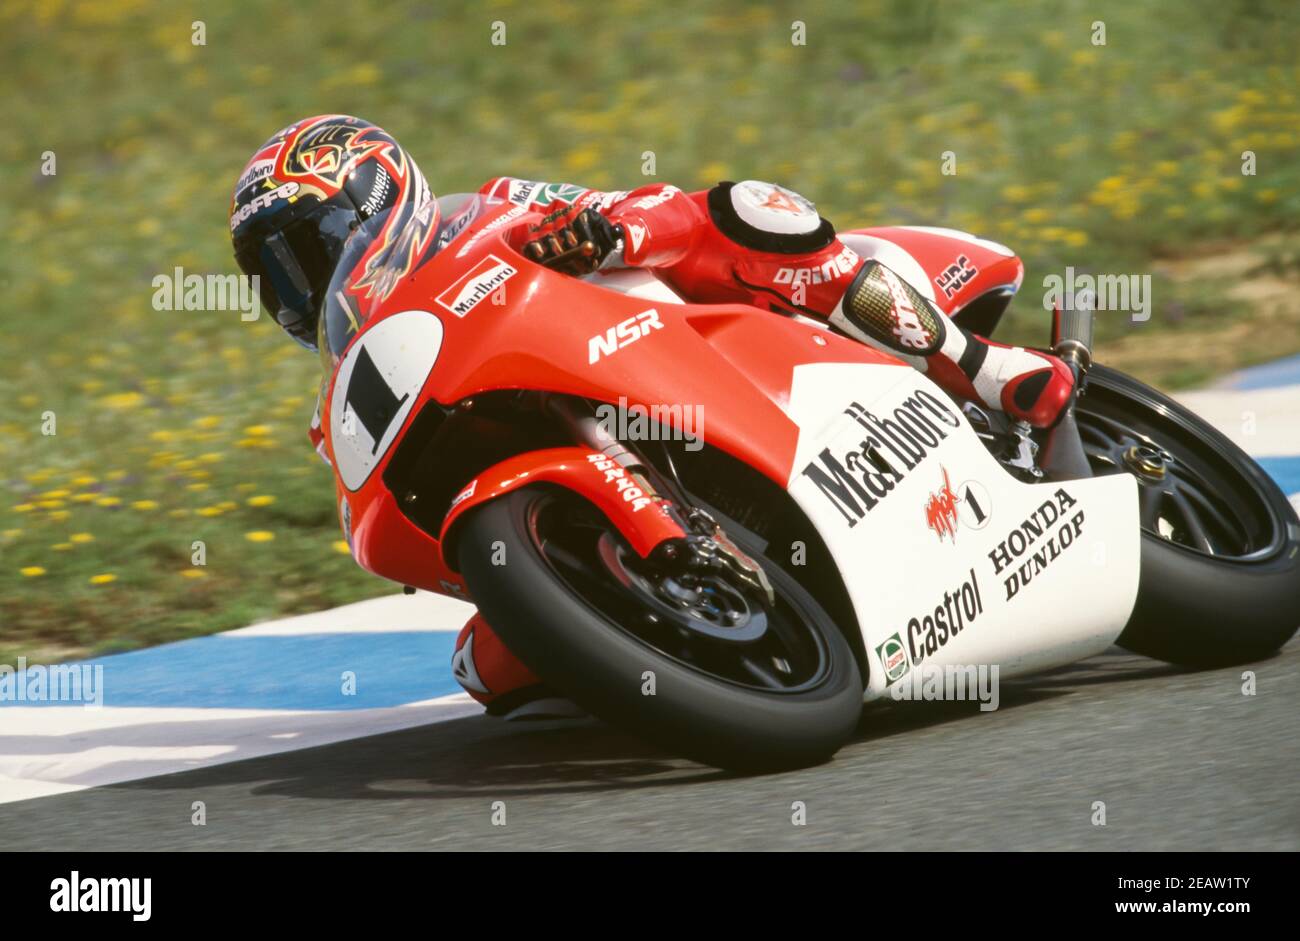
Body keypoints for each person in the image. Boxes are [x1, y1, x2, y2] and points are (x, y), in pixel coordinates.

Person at [231, 114, 1074, 717]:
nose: (296, 283)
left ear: (377, 194)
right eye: (275, 272)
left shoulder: (487, 207)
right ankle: (661, 616)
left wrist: (604, 229)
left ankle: (990, 372)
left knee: (750, 208)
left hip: (694, 342)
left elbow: (646, 207)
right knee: (482, 668)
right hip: (563, 442)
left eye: (304, 246)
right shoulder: (348, 382)